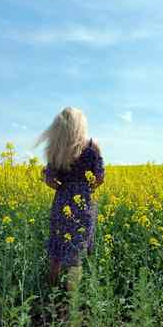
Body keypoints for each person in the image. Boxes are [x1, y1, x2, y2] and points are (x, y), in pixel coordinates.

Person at [33, 106, 105, 292]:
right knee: (76, 251)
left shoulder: (56, 148)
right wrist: (86, 187)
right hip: (83, 204)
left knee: (57, 248)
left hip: (61, 202)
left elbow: (50, 180)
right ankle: (70, 298)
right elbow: (99, 177)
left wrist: (64, 187)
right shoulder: (92, 145)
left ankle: (50, 289)